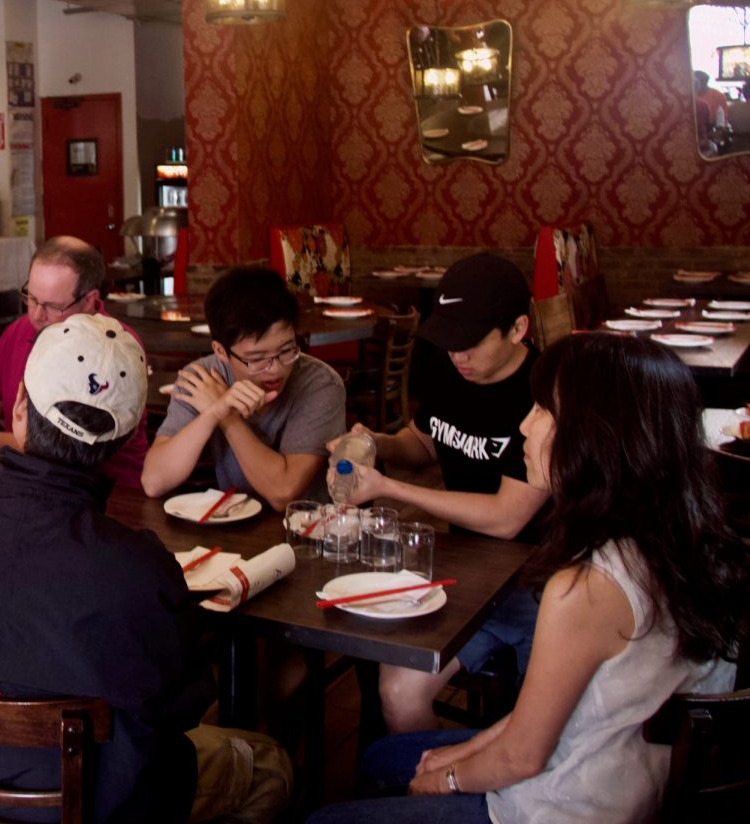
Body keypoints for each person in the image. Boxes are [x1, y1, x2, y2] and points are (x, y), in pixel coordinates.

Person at [307, 332, 745, 824]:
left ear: (595, 435)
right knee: (382, 760)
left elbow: (522, 757)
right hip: (615, 760)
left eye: (542, 412)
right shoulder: (679, 536)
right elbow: (542, 717)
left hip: (568, 804)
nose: (524, 426)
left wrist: (446, 780)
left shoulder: (588, 587)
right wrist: (466, 750)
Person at [0, 313, 292, 824]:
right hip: (93, 807)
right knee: (267, 761)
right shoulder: (135, 566)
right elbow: (183, 704)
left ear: (21, 407)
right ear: (127, 436)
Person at [338, 252, 544, 734]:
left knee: (532, 723)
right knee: (397, 692)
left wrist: (387, 486)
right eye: (448, 340)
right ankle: (436, 786)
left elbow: (507, 517)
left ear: (518, 329)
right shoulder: (450, 370)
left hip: (540, 583)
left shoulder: (543, 394)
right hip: (467, 575)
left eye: (470, 342)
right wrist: (374, 442)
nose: (457, 355)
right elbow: (429, 441)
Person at [0, 236, 149, 488]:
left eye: (52, 306)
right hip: (33, 484)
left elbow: (58, 447)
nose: (36, 315)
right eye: (31, 298)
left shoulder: (114, 350)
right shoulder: (18, 331)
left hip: (108, 491)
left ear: (89, 300)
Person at [141, 266, 345, 508]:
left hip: (307, 533)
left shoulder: (319, 384)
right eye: (257, 359)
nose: (275, 369)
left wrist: (228, 419)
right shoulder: (204, 379)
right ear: (220, 352)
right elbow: (154, 481)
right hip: (232, 528)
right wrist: (214, 411)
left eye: (286, 350)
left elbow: (283, 493)